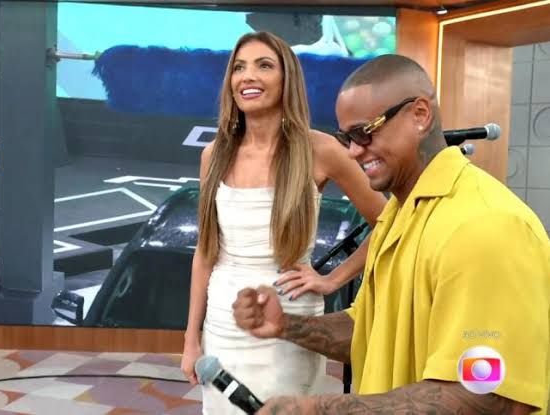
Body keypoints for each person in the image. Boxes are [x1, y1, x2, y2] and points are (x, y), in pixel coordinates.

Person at [232, 54, 550, 414]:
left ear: (420, 115)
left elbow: (489, 395)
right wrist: (287, 325)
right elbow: (371, 330)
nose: (353, 151)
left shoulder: (486, 226)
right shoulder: (397, 216)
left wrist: (322, 409)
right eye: (346, 138)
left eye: (364, 132)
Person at [180, 31, 387, 414]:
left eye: (264, 65)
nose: (248, 76)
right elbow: (205, 254)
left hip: (290, 323)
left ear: (286, 78)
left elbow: (390, 221)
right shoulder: (214, 154)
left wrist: (333, 279)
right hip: (223, 322)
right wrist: (191, 338)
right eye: (239, 68)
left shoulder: (319, 149)